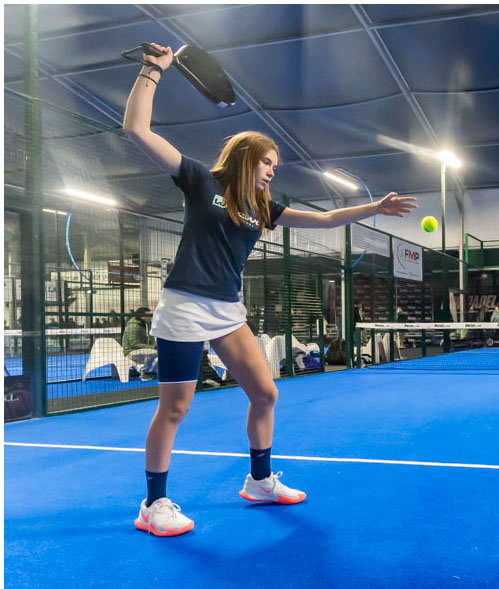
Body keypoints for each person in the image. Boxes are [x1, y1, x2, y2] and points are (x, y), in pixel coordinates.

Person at [123, 43, 416, 537]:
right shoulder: (200, 180)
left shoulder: (264, 208)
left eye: (275, 165)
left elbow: (326, 219)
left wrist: (374, 208)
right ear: (246, 158)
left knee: (265, 393)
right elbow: (137, 129)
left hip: (227, 311)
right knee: (175, 408)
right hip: (184, 306)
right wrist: (153, 70)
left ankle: (259, 482)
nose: (272, 170)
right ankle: (153, 504)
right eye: (267, 162)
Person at [122, 307, 158, 381]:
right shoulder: (133, 326)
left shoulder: (146, 325)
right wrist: (152, 347)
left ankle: (154, 373)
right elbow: (134, 344)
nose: (151, 317)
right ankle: (143, 373)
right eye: (148, 315)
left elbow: (151, 340)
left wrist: (155, 346)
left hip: (143, 350)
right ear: (142, 316)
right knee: (153, 352)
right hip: (131, 352)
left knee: (162, 352)